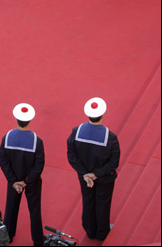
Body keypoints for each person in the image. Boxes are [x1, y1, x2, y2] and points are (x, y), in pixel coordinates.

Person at [67, 97, 120, 241]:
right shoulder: (111, 137)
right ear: (102, 115)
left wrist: (85, 174)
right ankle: (102, 232)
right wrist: (96, 174)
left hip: (84, 177)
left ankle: (90, 230)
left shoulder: (76, 132)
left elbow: (71, 155)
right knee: (103, 203)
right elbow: (114, 162)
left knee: (88, 200)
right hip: (104, 178)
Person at [0, 103, 44, 245]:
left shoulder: (7, 137)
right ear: (30, 120)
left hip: (13, 181)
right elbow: (39, 164)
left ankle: (8, 236)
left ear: (16, 119)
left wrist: (13, 180)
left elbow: (3, 160)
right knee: (35, 211)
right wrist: (26, 181)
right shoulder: (37, 141)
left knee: (10, 208)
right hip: (32, 182)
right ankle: (37, 240)